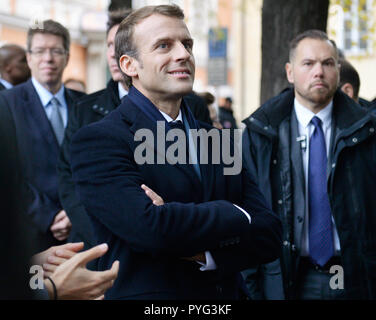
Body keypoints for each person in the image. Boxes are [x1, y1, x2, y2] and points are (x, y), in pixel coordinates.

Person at [70, 4, 282, 300]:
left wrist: (202, 254)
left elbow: (270, 233)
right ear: (129, 65)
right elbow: (151, 229)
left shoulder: (216, 139)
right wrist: (235, 212)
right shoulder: (99, 140)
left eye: (187, 44)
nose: (183, 54)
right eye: (163, 46)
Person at [242, 29, 376, 300]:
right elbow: (247, 214)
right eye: (309, 63)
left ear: (338, 71)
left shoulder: (366, 133)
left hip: (356, 274)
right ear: (290, 72)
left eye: (327, 63)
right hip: (290, 278)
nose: (319, 72)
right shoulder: (261, 135)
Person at [0, 20, 85, 253]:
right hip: (31, 238)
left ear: (67, 57)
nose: (48, 58)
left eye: (56, 51)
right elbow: (7, 174)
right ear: (29, 58)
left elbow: (94, 167)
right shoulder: (6, 104)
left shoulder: (85, 104)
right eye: (39, 51)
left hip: (82, 233)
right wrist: (48, 216)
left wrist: (75, 212)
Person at [57, 9, 131, 254]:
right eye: (110, 44)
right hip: (94, 247)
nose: (113, 52)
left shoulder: (187, 108)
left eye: (122, 43)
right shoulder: (84, 109)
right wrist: (99, 235)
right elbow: (69, 178)